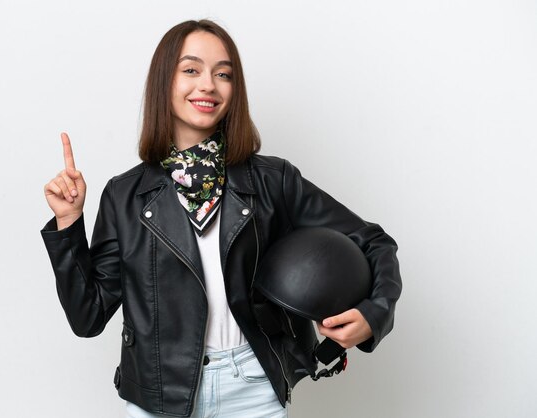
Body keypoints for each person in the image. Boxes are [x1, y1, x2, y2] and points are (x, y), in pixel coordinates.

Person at [41, 19, 401, 418]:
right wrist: (69, 223)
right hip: (159, 395)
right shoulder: (125, 195)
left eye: (223, 74)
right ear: (165, 82)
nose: (208, 85)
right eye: (191, 69)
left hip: (252, 387)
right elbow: (88, 316)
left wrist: (375, 313)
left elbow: (373, 241)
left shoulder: (272, 181)